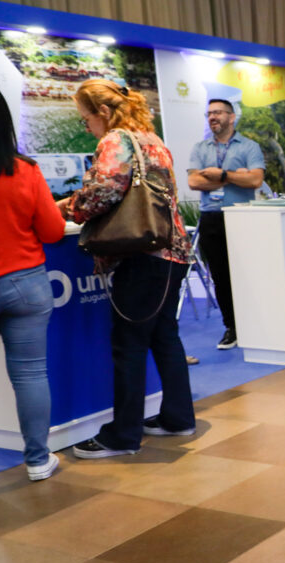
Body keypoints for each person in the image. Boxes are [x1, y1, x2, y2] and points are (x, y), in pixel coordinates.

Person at [61, 79, 196, 458]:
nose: (86, 128)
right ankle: (177, 417)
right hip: (171, 251)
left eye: (86, 120)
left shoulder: (115, 140)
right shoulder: (151, 139)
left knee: (129, 345)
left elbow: (104, 190)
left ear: (103, 113)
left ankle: (123, 435)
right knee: (165, 336)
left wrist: (69, 208)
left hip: (141, 254)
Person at [0, 77, 65, 494]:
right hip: (27, 285)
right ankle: (38, 460)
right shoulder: (26, 171)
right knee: (30, 374)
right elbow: (54, 231)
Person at [187, 98, 264, 350]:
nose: (212, 117)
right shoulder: (200, 148)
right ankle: (232, 327)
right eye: (209, 113)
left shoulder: (249, 147)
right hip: (211, 217)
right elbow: (195, 183)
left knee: (249, 274)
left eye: (218, 112)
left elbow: (255, 180)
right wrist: (235, 177)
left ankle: (257, 324)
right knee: (220, 276)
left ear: (232, 117)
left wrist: (220, 175)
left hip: (241, 215)